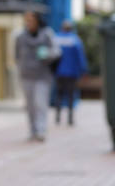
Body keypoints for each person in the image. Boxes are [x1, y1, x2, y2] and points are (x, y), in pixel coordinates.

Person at [14, 10, 59, 142]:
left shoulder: (47, 34)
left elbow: (56, 51)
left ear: (37, 20)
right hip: (26, 75)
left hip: (42, 76)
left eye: (31, 20)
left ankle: (41, 130)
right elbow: (16, 55)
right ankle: (33, 130)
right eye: (26, 20)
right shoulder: (20, 37)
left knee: (40, 103)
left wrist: (47, 54)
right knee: (30, 106)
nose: (28, 23)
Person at [51, 20, 89, 125]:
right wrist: (84, 70)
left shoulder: (56, 38)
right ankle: (70, 117)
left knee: (59, 94)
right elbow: (80, 57)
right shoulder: (75, 40)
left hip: (59, 72)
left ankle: (57, 116)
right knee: (71, 95)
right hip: (72, 73)